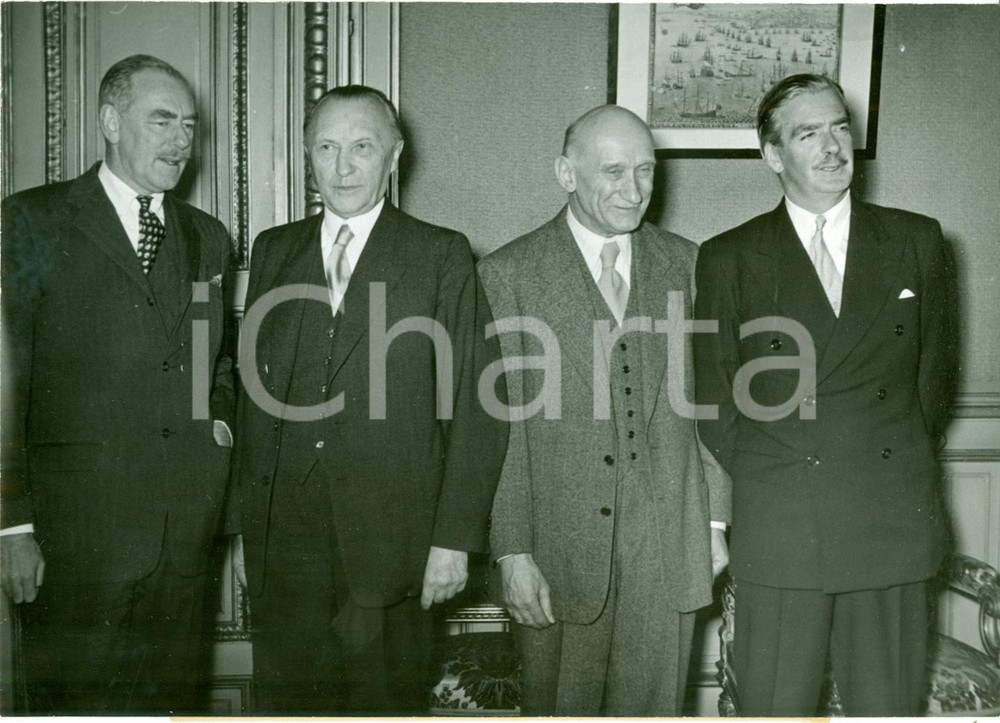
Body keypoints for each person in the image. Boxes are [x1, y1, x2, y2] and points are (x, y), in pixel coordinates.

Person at [230, 84, 508, 715]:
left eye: (362, 147)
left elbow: (476, 404)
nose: (343, 166)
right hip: (287, 554)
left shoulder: (439, 253)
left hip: (393, 551)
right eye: (326, 147)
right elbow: (254, 403)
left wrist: (454, 540)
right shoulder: (274, 250)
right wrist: (251, 535)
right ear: (308, 154)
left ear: (395, 154)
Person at [694, 73, 960, 716]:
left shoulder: (918, 240)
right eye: (808, 133)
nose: (833, 146)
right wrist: (775, 470)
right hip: (784, 526)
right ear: (772, 155)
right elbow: (714, 400)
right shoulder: (729, 256)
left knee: (886, 706)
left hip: (888, 521)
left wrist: (882, 460)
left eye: (840, 126)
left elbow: (935, 385)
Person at [0, 54, 235, 714]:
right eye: (161, 121)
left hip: (183, 545)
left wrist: (215, 420)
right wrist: (11, 526)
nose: (181, 140)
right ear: (110, 120)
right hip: (72, 547)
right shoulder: (30, 221)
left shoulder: (209, 239)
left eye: (189, 125)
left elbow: (214, 361)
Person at [477, 104, 731, 716]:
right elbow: (499, 431)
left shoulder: (689, 264)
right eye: (613, 171)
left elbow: (713, 403)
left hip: (669, 545)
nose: (635, 189)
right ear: (565, 173)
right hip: (558, 553)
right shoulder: (505, 274)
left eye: (646, 171)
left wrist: (715, 523)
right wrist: (513, 552)